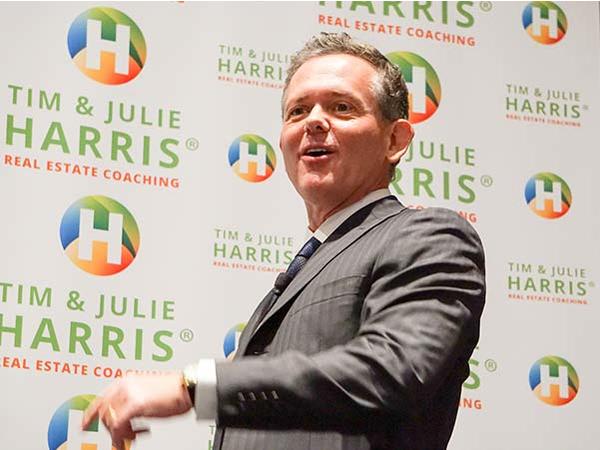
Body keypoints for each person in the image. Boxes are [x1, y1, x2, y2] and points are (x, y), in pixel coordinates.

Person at [83, 32, 485, 450]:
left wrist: (196, 387)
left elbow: (390, 370)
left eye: (341, 107)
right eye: (297, 111)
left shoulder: (428, 236)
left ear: (395, 141)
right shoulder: (307, 266)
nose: (313, 121)